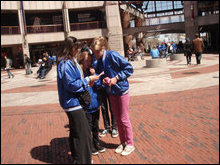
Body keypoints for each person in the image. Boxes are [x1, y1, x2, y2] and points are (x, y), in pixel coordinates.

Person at [57, 36, 99, 164]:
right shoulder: (66, 63)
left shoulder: (69, 61)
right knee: (84, 133)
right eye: (77, 48)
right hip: (72, 102)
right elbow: (71, 84)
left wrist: (86, 82)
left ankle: (78, 158)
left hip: (72, 102)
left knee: (76, 132)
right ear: (71, 48)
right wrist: (88, 80)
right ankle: (83, 160)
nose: (78, 51)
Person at [91, 36, 135, 156]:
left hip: (121, 90)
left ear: (103, 48)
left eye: (97, 51)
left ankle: (130, 143)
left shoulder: (112, 55)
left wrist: (116, 78)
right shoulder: (99, 61)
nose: (95, 54)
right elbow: (99, 77)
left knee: (124, 118)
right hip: (111, 92)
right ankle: (123, 142)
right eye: (94, 52)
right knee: (118, 118)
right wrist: (103, 81)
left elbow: (129, 68)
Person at [78, 50, 106, 156]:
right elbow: (79, 87)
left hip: (95, 102)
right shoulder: (80, 73)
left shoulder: (92, 71)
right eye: (86, 61)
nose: (88, 63)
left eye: (90, 60)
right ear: (82, 60)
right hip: (86, 104)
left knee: (95, 125)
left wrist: (96, 77)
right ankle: (90, 146)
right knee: (88, 127)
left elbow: (99, 85)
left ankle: (96, 143)